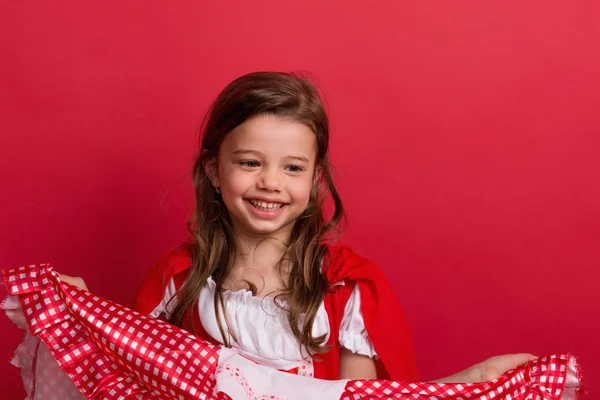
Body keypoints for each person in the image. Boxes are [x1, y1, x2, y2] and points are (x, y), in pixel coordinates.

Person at [61, 71, 535, 382]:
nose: (269, 182)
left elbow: (366, 399)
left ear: (316, 178)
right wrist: (80, 313)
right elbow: (126, 382)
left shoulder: (349, 290)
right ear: (213, 170)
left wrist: (469, 382)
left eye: (292, 168)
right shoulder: (178, 279)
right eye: (249, 162)